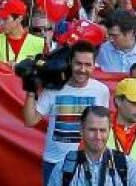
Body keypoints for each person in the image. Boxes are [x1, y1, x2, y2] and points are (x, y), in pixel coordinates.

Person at [24, 40, 111, 184]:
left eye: (88, 65)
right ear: (70, 62)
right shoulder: (53, 89)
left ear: (94, 65)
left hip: (89, 163)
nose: (82, 69)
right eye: (78, 63)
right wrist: (30, 91)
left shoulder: (102, 91)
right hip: (54, 162)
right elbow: (30, 121)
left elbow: (103, 128)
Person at [45, 105, 136, 186]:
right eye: (92, 130)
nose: (98, 136)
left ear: (109, 131)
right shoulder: (63, 169)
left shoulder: (128, 166)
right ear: (81, 130)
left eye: (102, 130)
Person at [0, 0, 45, 67]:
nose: (1, 23)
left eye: (5, 19)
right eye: (0, 18)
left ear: (19, 18)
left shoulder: (40, 43)